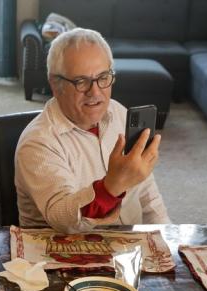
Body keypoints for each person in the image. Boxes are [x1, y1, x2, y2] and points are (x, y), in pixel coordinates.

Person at [15, 29, 169, 231]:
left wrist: (166, 238)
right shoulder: (37, 142)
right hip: (60, 253)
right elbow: (63, 219)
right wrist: (111, 187)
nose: (95, 92)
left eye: (103, 77)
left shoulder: (119, 113)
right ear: (55, 84)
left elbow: (146, 192)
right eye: (81, 81)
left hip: (126, 248)